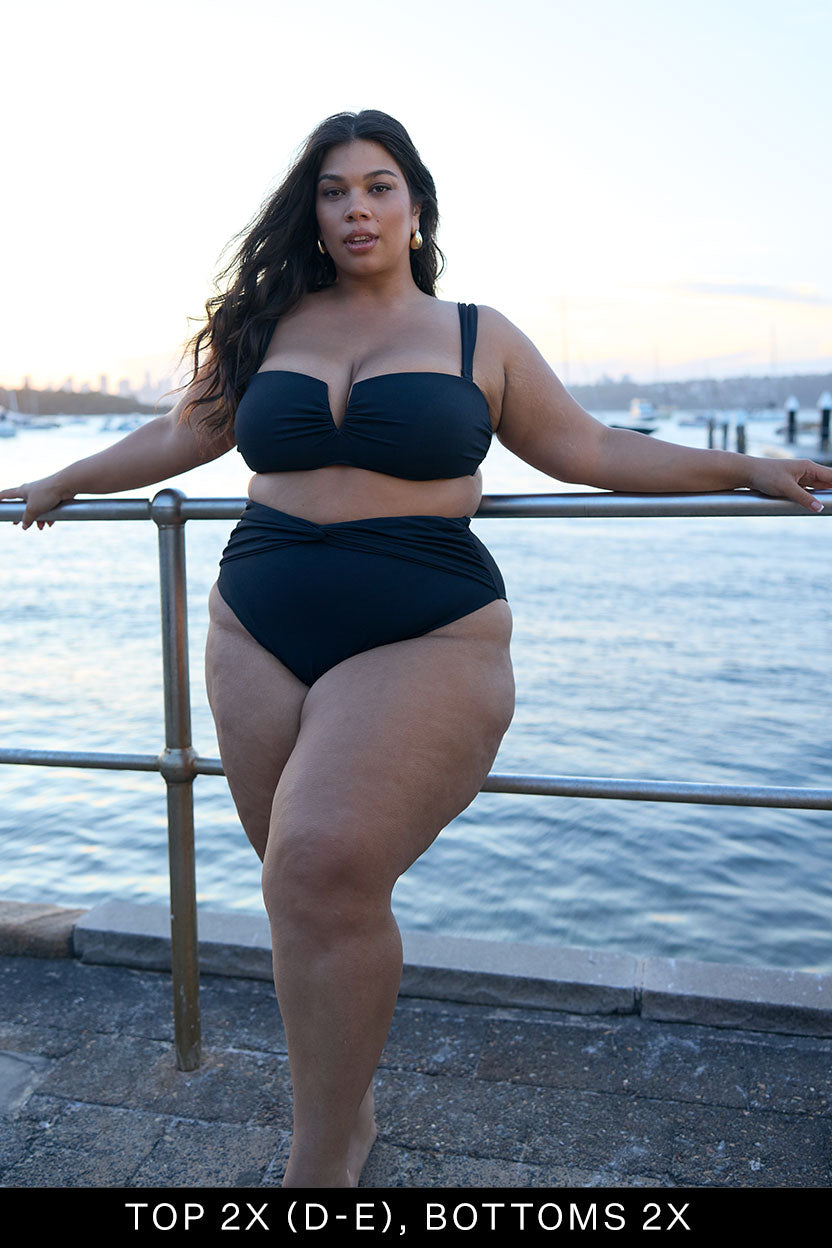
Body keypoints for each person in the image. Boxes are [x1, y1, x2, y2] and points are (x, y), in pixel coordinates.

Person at [2, 110, 830, 1188]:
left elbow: (588, 446)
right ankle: (342, 1113)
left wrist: (742, 470)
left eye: (378, 186)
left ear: (416, 206)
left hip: (424, 625)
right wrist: (68, 477)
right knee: (303, 892)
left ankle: (320, 1160)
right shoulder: (263, 325)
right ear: (314, 212)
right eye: (335, 190)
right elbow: (182, 435)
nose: (356, 208)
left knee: (321, 866)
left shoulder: (479, 336)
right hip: (254, 625)